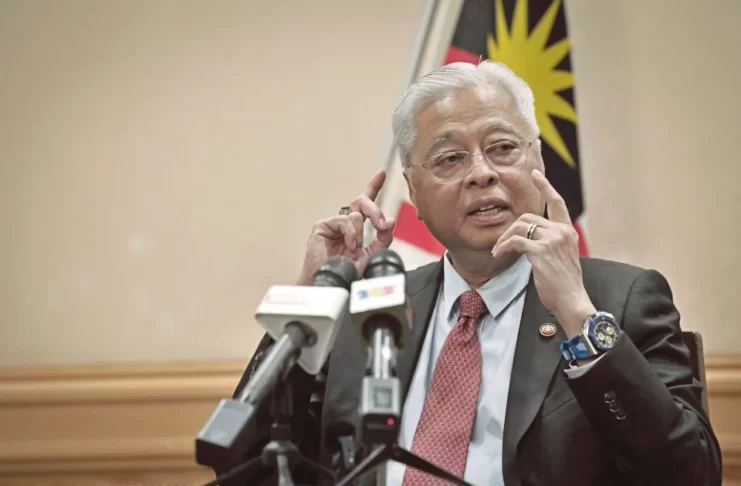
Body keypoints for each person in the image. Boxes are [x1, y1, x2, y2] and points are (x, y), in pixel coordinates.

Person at [216, 61, 722, 485]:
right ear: (413, 193)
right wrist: (315, 299)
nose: (482, 172)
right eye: (450, 158)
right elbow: (242, 468)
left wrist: (577, 313)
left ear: (538, 161)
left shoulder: (618, 299)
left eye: (503, 148)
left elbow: (689, 475)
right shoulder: (370, 308)